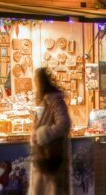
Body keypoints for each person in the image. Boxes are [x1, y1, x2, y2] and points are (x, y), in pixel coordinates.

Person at [29, 67, 72, 195]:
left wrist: (44, 133)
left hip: (51, 157)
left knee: (51, 189)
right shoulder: (47, 101)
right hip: (44, 158)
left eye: (36, 81)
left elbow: (64, 123)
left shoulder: (54, 100)